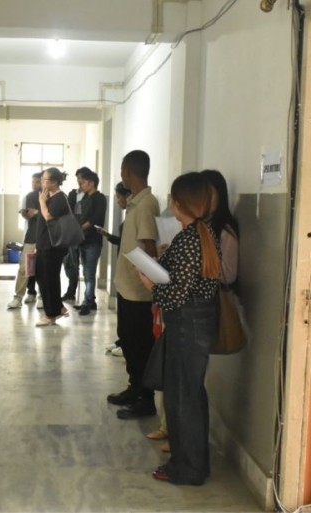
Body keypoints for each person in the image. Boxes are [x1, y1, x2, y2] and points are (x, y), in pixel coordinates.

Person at [139, 172, 221, 486]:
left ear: (178, 203)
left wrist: (150, 283)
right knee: (190, 396)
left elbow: (175, 293)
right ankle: (194, 464)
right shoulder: (204, 232)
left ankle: (188, 469)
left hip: (186, 327)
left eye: (173, 199)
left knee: (182, 399)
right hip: (195, 326)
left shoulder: (190, 238)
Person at [107, 150, 160, 420]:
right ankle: (134, 386)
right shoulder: (135, 203)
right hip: (127, 286)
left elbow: (149, 246)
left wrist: (151, 284)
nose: (121, 175)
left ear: (128, 172)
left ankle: (145, 397)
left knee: (140, 346)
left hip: (139, 292)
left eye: (122, 170)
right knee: (127, 341)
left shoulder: (147, 203)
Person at [33, 167, 71, 327]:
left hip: (53, 246)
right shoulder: (50, 196)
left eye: (45, 180)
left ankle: (50, 315)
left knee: (48, 279)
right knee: (44, 277)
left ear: (54, 182)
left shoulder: (60, 198)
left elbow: (48, 216)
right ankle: (58, 308)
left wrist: (42, 202)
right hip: (44, 244)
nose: (42, 183)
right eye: (41, 180)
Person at [99, 182, 132, 357]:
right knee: (123, 310)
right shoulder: (129, 214)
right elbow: (122, 241)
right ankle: (122, 340)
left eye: (119, 197)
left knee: (129, 312)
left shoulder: (138, 211)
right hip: (122, 263)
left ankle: (127, 344)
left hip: (130, 267)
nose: (117, 201)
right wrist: (108, 236)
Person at [8, 172, 42, 309]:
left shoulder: (52, 196)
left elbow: (52, 215)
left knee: (43, 269)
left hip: (47, 238)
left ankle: (42, 297)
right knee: (24, 268)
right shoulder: (30, 196)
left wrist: (37, 212)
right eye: (33, 181)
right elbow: (27, 215)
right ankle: (18, 297)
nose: (34, 184)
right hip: (31, 237)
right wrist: (28, 213)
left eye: (37, 181)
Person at [75, 169, 107, 315]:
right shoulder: (83, 198)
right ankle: (91, 300)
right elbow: (79, 215)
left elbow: (96, 219)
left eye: (83, 182)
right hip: (82, 240)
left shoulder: (100, 198)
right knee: (86, 272)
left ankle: (87, 302)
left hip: (93, 240)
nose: (81, 185)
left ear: (91, 182)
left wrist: (80, 228)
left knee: (90, 272)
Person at [62, 167, 91, 302]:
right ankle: (71, 290)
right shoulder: (72, 194)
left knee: (87, 268)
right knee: (70, 264)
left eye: (82, 178)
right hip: (72, 234)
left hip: (86, 235)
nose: (80, 181)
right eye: (78, 178)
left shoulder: (92, 195)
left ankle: (89, 297)